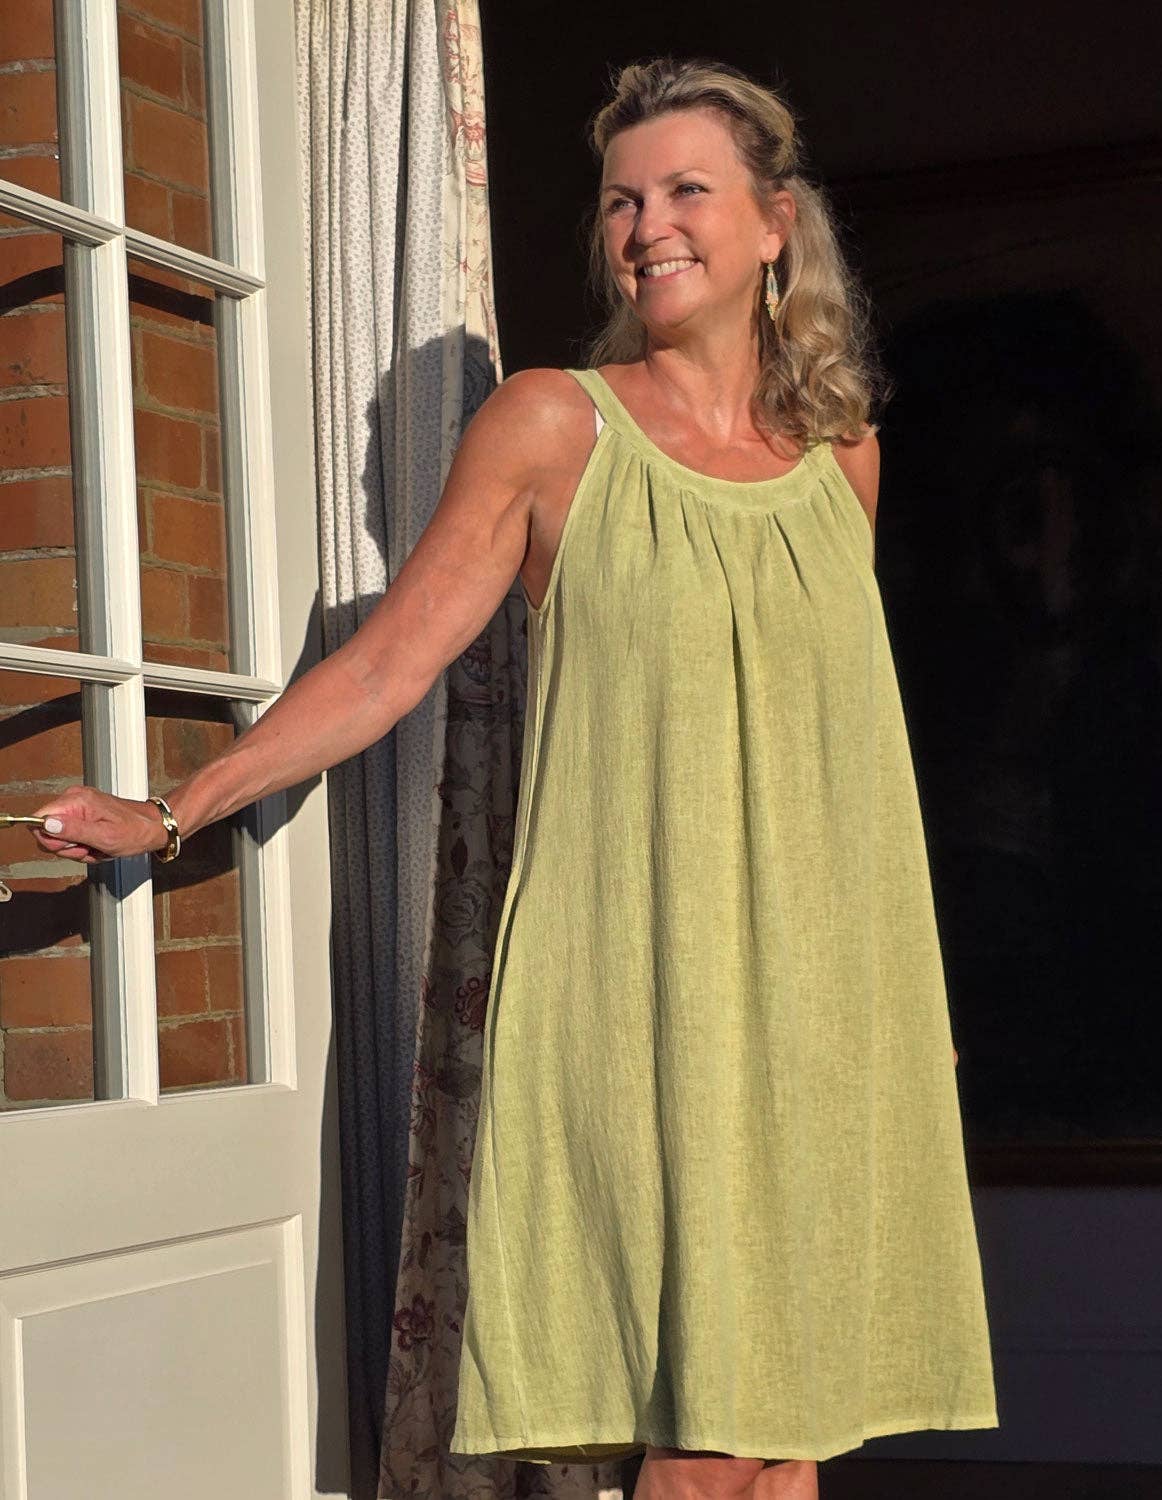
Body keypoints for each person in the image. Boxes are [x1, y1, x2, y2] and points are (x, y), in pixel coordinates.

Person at [32, 55, 996, 1500]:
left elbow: (838, 754)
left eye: (684, 190)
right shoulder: (554, 425)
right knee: (702, 1451)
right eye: (621, 201)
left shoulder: (841, 460)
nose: (646, 227)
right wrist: (176, 811)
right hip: (646, 1004)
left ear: (775, 224)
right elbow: (384, 669)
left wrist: (907, 1006)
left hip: (825, 1011)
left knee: (789, 1449)